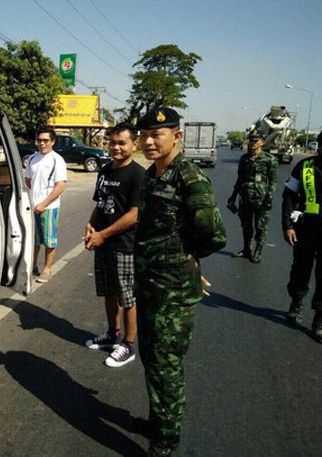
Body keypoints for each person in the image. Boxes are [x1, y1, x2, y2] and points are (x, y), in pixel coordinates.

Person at [135, 107, 226, 456]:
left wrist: (187, 260)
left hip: (173, 292)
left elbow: (214, 234)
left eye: (157, 134)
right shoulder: (151, 176)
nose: (149, 140)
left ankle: (166, 440)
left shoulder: (190, 178)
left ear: (177, 136)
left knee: (167, 364)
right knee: (151, 358)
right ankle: (158, 419)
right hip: (149, 285)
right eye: (146, 134)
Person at [83, 122, 145, 368]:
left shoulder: (138, 174)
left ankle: (128, 345)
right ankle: (112, 334)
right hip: (104, 242)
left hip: (124, 245)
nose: (116, 147)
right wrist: (90, 226)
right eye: (112, 142)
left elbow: (134, 215)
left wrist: (103, 234)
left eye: (122, 143)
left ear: (134, 144)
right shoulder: (106, 170)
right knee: (108, 292)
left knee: (127, 296)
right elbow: (101, 203)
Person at [282, 131, 322, 342]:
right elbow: (288, 196)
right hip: (305, 229)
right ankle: (296, 303)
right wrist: (287, 225)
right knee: (300, 271)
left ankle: (319, 320)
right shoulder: (305, 166)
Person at [24, 126, 67, 283]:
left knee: (49, 240)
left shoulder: (57, 160)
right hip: (33, 207)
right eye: (39, 140)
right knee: (34, 240)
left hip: (49, 207)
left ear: (52, 142)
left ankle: (47, 269)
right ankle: (33, 265)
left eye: (45, 140)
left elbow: (60, 186)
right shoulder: (32, 159)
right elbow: (28, 180)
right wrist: (34, 201)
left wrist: (44, 203)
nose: (42, 143)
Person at [227, 131, 278, 263]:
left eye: (255, 141)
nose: (252, 143)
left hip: (262, 199)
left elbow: (273, 181)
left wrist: (269, 197)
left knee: (261, 227)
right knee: (246, 226)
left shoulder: (269, 160)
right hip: (245, 198)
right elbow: (240, 179)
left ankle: (258, 251)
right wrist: (232, 197)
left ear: (262, 142)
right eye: (251, 140)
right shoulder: (244, 159)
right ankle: (246, 249)